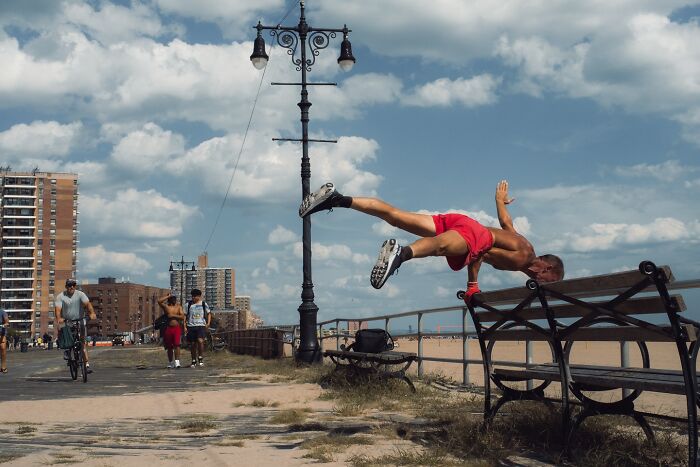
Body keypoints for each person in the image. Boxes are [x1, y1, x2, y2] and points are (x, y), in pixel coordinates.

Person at [299, 180, 564, 301]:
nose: (544, 284)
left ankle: (338, 199)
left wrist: (498, 201)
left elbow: (507, 224)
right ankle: (400, 254)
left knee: (395, 215)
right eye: (550, 281)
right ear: (547, 268)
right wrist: (473, 285)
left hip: (463, 222)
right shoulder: (524, 258)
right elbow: (481, 251)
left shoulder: (524, 245)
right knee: (439, 247)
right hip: (476, 235)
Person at [55, 279, 97, 373]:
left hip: (80, 320)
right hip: (67, 320)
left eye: (73, 285)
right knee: (63, 331)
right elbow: (57, 309)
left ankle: (86, 365)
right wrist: (59, 318)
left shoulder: (80, 294)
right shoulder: (61, 296)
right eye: (69, 285)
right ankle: (66, 350)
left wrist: (92, 313)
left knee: (82, 343)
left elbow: (88, 304)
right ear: (66, 286)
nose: (72, 287)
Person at [157, 294, 185, 369]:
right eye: (172, 299)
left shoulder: (178, 307)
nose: (174, 301)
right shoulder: (166, 307)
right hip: (168, 328)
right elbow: (159, 301)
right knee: (169, 347)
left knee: (177, 345)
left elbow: (182, 317)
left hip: (176, 328)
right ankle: (170, 362)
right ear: (169, 300)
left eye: (175, 300)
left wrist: (173, 316)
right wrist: (167, 296)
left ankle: (177, 361)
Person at [185, 289, 210, 368]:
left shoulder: (203, 304)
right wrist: (184, 327)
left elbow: (209, 313)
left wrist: (208, 323)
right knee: (192, 344)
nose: (193, 298)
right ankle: (193, 360)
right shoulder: (188, 304)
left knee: (200, 341)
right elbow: (184, 316)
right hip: (191, 326)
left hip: (201, 325)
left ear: (199, 296)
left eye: (195, 296)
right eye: (192, 296)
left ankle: (200, 357)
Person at [0, 306, 9, 373]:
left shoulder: (2, 312)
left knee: (3, 348)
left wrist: (5, 324)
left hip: (2, 333)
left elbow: (6, 321)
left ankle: (3, 366)